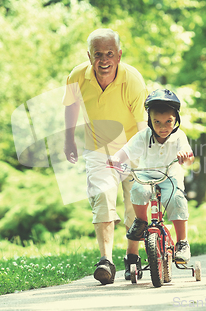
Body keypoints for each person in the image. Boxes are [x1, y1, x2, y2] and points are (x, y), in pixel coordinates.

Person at [63, 28, 149, 284]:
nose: (104, 60)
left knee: (136, 206)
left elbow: (143, 125)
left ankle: (132, 257)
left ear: (119, 55)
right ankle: (106, 261)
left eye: (109, 53)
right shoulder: (77, 76)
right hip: (99, 149)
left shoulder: (132, 79)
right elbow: (71, 106)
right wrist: (69, 139)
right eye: (98, 54)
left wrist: (142, 157)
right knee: (102, 199)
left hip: (132, 148)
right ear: (89, 56)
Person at [108, 89, 194, 263]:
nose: (163, 127)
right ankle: (141, 221)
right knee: (139, 190)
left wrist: (186, 156)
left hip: (170, 176)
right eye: (157, 122)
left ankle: (182, 242)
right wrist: (115, 159)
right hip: (146, 175)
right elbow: (125, 152)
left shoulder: (179, 136)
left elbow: (190, 158)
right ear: (150, 121)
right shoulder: (143, 136)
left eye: (168, 121)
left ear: (176, 119)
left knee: (177, 199)